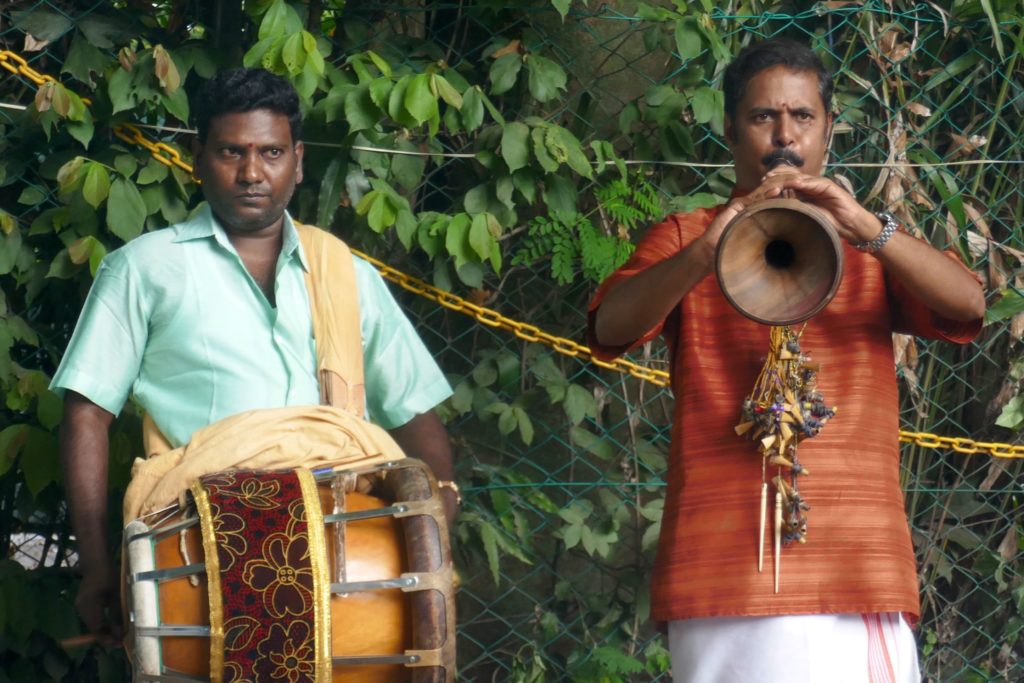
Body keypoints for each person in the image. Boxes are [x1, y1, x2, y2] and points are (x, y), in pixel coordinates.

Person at [588, 38, 985, 682]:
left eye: (802, 117)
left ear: (828, 130)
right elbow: (610, 327)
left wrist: (865, 226)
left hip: (855, 568)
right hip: (720, 569)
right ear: (729, 130)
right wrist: (706, 251)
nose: (783, 136)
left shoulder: (867, 245)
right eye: (762, 116)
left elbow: (969, 305)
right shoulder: (688, 234)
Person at [51, 67, 458, 645]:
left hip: (354, 560)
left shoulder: (346, 273)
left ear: (298, 160)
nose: (251, 173)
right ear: (198, 156)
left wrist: (435, 535)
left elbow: (419, 419)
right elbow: (87, 413)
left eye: (270, 152)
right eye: (230, 151)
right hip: (202, 556)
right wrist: (96, 568)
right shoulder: (143, 269)